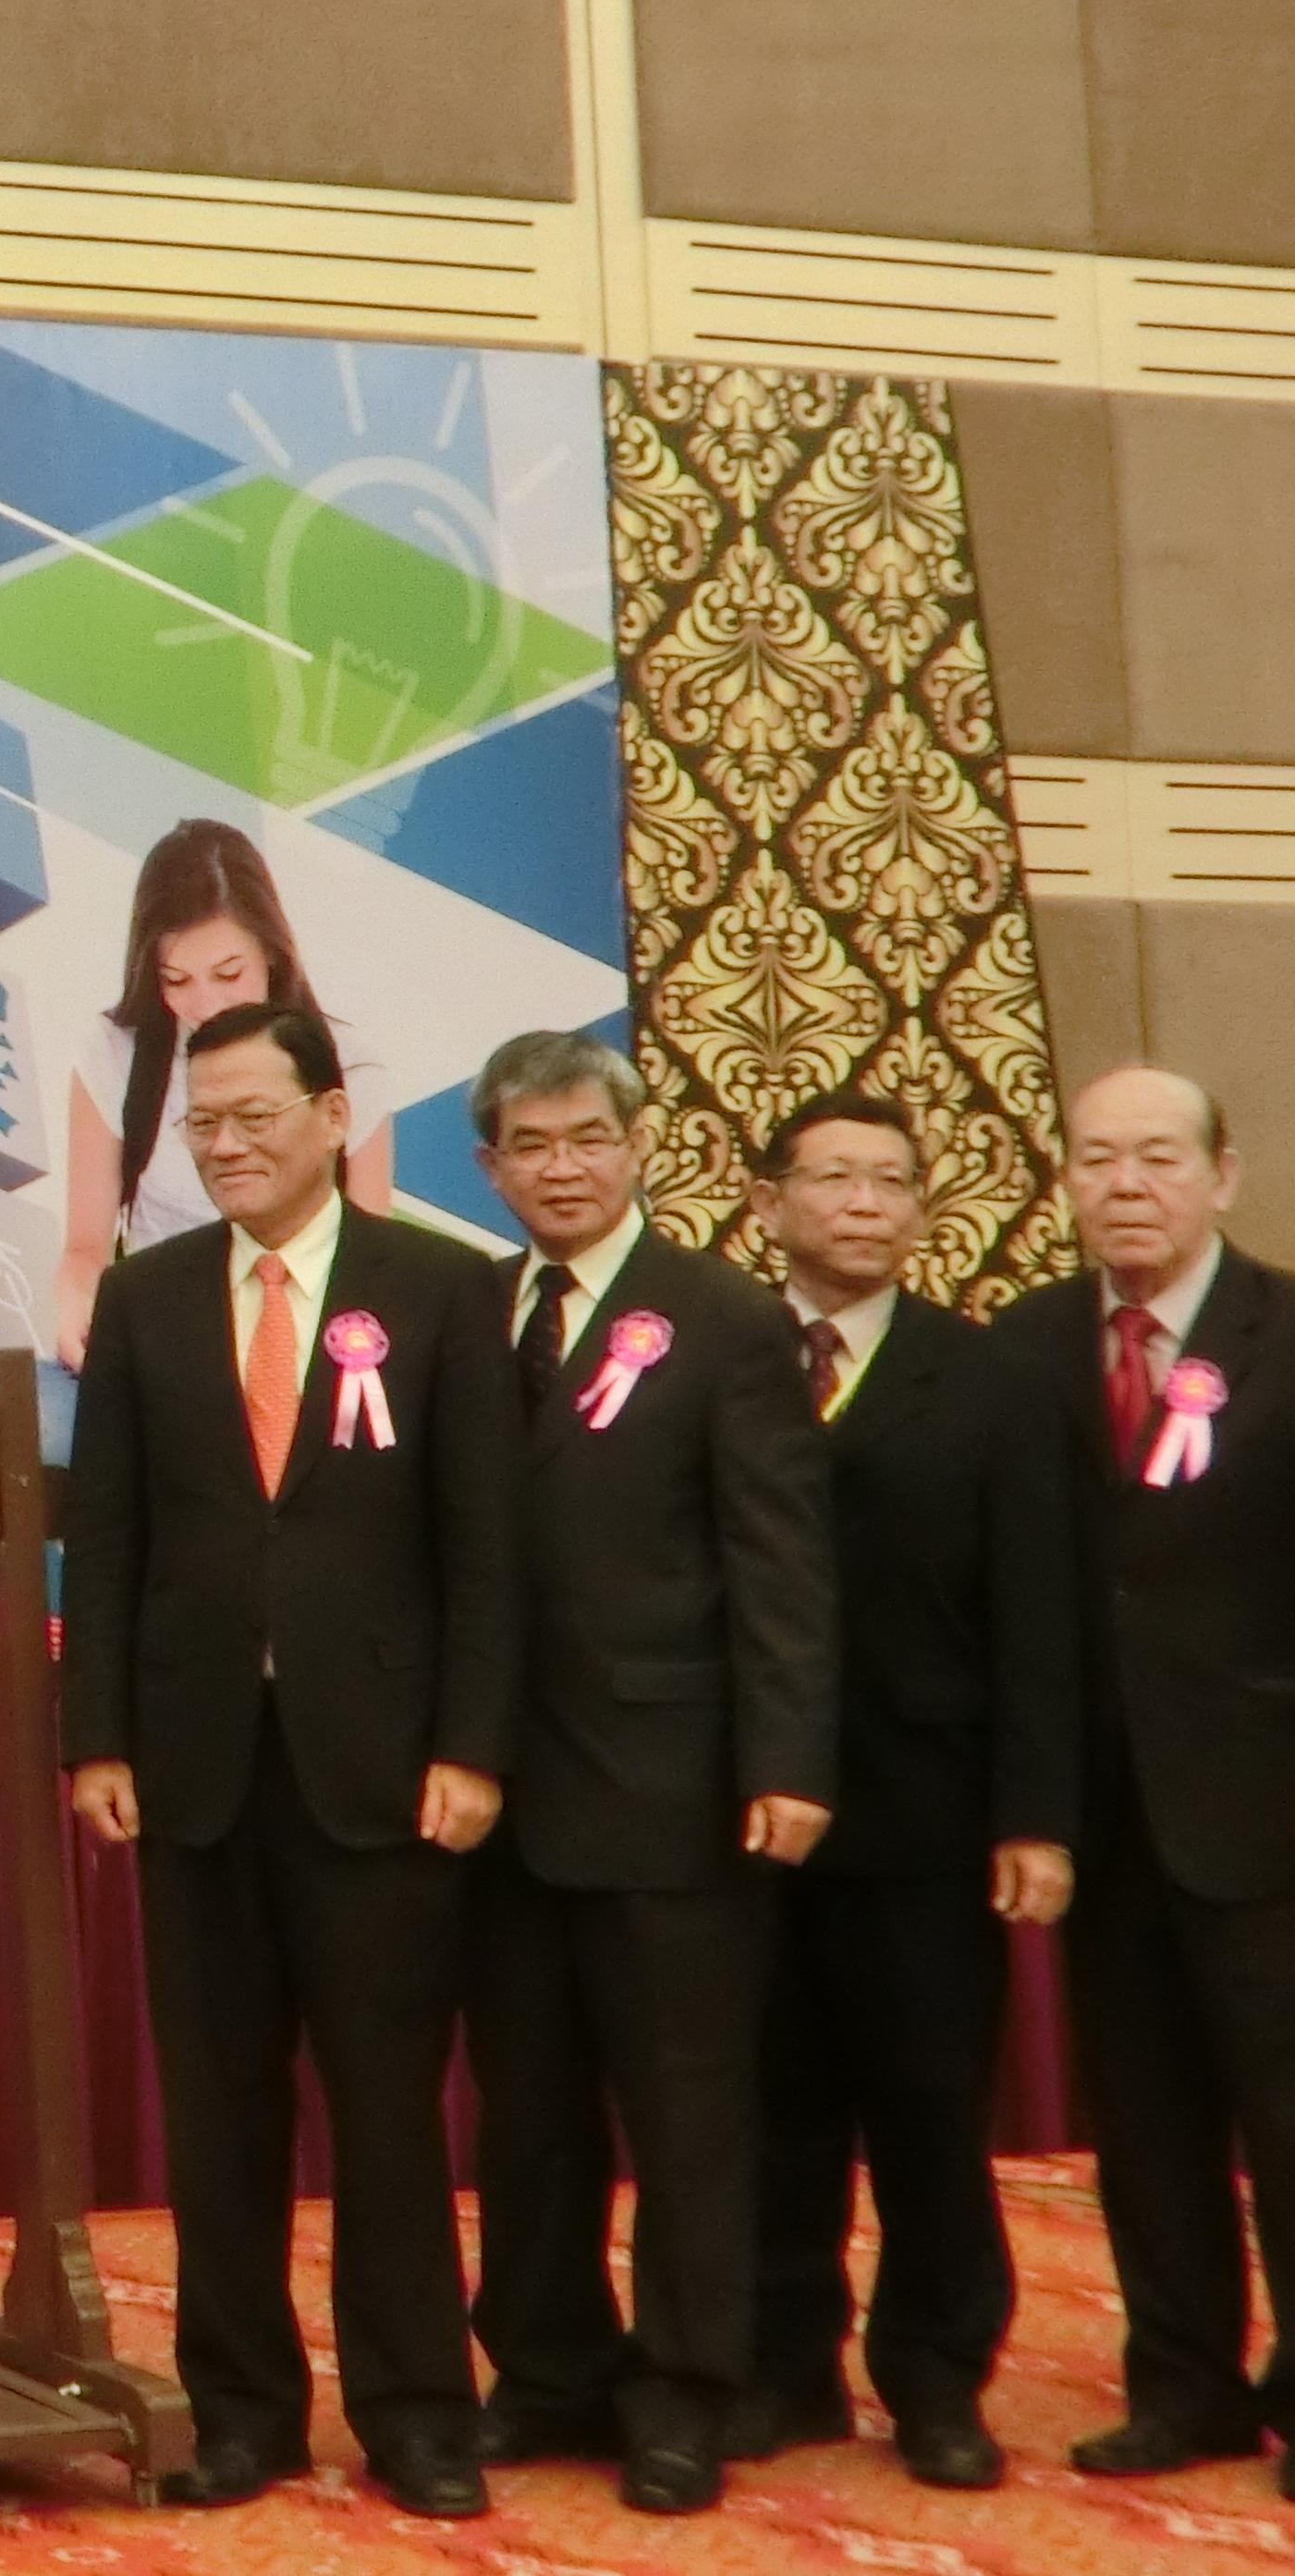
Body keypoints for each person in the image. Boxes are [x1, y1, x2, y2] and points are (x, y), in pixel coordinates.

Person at [60, 1000, 518, 2520]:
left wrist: (469, 1742)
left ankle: (416, 2416)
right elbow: (110, 1537)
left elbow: (482, 1547)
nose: (228, 1146)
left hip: (379, 1765)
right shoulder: (145, 1299)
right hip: (194, 1767)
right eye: (202, 1125)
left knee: (387, 2105)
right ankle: (242, 2410)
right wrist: (96, 1738)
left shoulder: (440, 1293)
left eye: (254, 1116)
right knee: (218, 2105)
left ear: (331, 1115)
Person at [459, 1028, 837, 2514]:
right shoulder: (462, 1313)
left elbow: (784, 1562)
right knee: (526, 2110)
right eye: (529, 1148)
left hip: (677, 1790)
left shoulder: (725, 1317)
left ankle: (688, 2391)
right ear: (488, 1168)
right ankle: (547, 2372)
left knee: (687, 2113)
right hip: (495, 1797)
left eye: (585, 1140)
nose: (561, 1168)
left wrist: (791, 1757)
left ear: (638, 1148)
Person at [739, 1092, 1074, 2488]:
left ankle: (939, 2379)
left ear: (924, 1210)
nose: (864, 1203)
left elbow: (1040, 1613)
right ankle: (781, 2368)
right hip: (749, 1812)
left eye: (891, 1181)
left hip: (928, 1815)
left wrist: (1037, 1813)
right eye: (833, 1178)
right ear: (770, 1204)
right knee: (770, 2106)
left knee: (931, 2111)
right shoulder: (717, 1353)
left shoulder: (985, 1377)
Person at [992, 1064, 1295, 2485]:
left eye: (1157, 1157)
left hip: (1268, 1810)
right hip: (1105, 1827)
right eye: (1098, 1158)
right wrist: (1035, 1812)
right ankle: (1185, 2387)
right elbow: (1027, 1602)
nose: (1126, 1183)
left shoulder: (1287, 1331)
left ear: (1220, 1174)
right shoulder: (1031, 1344)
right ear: (1067, 1182)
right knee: (1152, 2129)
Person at [57, 820, 393, 1366]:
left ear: (272, 954)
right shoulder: (117, 1052)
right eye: (177, 980)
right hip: (161, 1343)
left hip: (302, 1349)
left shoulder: (350, 1066)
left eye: (228, 973)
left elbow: (371, 1262)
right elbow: (85, 1250)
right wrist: (79, 1310)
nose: (207, 1004)